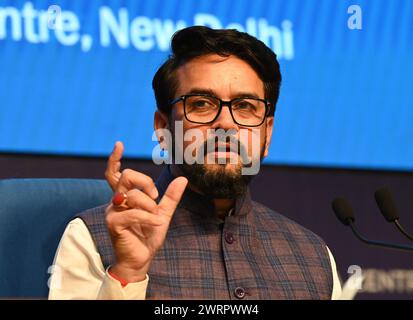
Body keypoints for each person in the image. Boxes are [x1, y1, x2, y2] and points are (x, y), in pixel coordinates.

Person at [48, 26, 342, 300]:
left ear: (267, 135)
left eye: (245, 107)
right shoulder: (91, 238)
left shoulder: (314, 257)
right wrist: (128, 274)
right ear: (163, 129)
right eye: (201, 104)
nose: (226, 123)